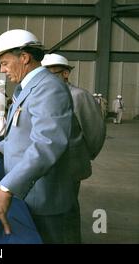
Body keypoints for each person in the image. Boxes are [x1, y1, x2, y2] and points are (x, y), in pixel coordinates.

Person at [0, 29, 81, 244]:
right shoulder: (28, 88)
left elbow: (47, 144)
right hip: (28, 192)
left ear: (25, 57)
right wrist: (0, 147)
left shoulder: (48, 88)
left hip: (43, 196)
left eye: (5, 63)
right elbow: (24, 130)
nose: (2, 70)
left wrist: (6, 189)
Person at [41, 53, 106, 191]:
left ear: (65, 73)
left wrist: (84, 154)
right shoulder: (42, 96)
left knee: (69, 205)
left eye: (51, 74)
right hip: (46, 165)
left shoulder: (79, 96)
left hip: (70, 165)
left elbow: (95, 131)